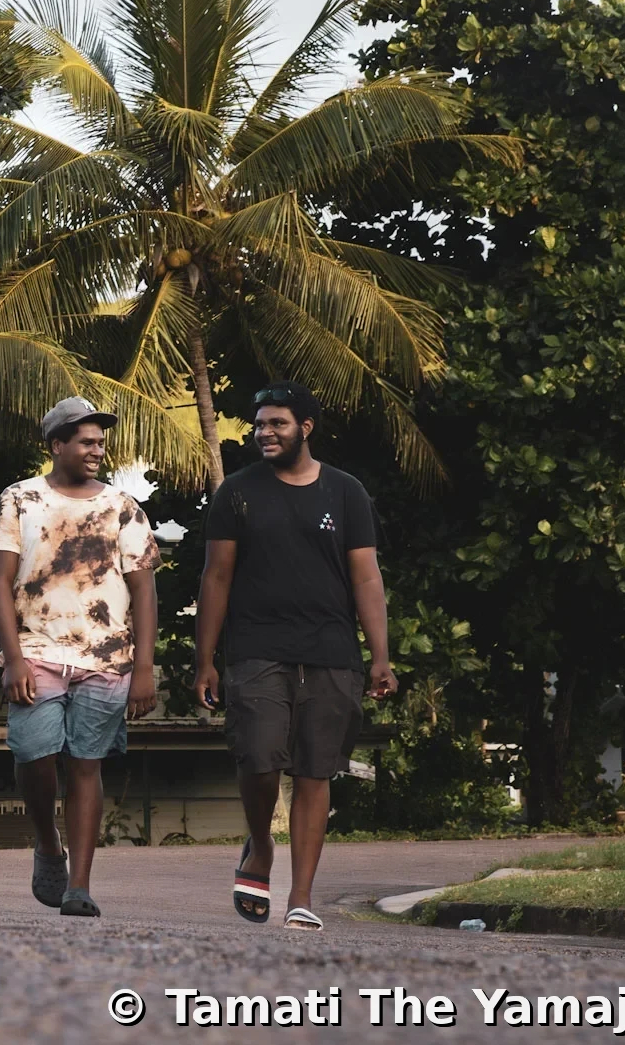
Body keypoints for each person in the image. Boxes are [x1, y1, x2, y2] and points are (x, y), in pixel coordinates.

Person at [193, 381, 397, 931]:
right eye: (259, 425)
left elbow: (366, 577)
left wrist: (380, 655)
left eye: (277, 423)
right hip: (256, 649)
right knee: (259, 759)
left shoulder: (346, 492)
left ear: (305, 427)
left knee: (315, 770)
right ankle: (260, 845)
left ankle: (300, 897)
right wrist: (205, 658)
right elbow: (216, 577)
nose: (265, 433)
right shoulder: (237, 493)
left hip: (331, 651)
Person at [0, 396, 160, 919]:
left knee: (86, 765)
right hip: (36, 649)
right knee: (33, 754)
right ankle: (47, 841)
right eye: (85, 442)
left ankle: (78, 885)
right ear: (56, 445)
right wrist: (13, 657)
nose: (96, 450)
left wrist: (144, 667)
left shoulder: (123, 507)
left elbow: (144, 591)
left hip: (106, 656)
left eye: (100, 442)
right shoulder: (18, 499)